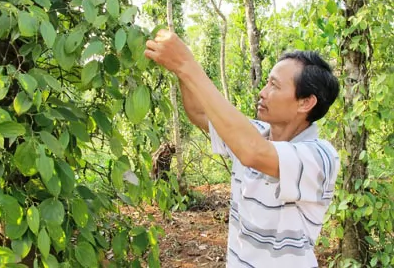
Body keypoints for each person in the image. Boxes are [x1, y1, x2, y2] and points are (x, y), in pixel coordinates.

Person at [145, 29, 340, 268]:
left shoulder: (320, 156)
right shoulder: (254, 132)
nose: (262, 92)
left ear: (306, 102)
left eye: (274, 86)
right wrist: (179, 68)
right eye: (266, 82)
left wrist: (188, 64)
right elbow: (199, 112)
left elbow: (253, 153)